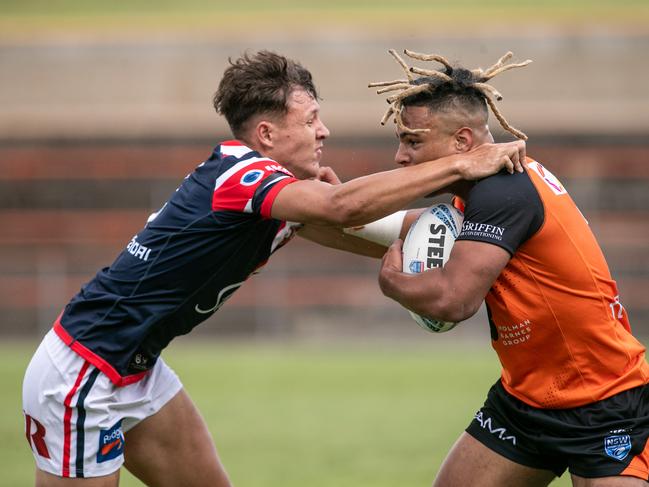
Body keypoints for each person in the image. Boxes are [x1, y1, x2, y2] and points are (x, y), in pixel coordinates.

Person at [22, 50, 526, 486]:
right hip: (83, 374)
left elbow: (387, 228)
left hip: (137, 371)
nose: (323, 130)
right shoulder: (240, 173)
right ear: (266, 132)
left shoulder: (272, 195)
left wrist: (490, 224)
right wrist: (465, 163)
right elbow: (343, 209)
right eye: (309, 120)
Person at [372, 49, 649, 486]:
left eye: (413, 141)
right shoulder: (479, 194)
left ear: (462, 142)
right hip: (524, 401)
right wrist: (301, 214)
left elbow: (453, 299)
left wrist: (393, 284)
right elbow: (375, 224)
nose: (400, 157)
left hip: (603, 400)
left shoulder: (505, 191)